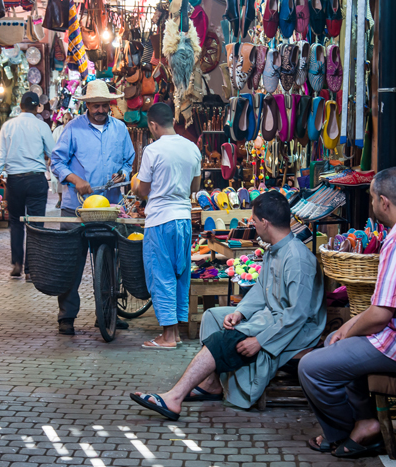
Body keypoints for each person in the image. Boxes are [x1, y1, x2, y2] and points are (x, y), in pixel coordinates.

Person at [130, 191, 326, 419]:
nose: (251, 223)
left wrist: (260, 341)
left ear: (265, 222)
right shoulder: (275, 249)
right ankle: (211, 384)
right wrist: (240, 312)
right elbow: (261, 289)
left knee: (225, 339)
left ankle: (174, 398)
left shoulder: (297, 258)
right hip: (272, 315)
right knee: (213, 317)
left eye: (254, 219)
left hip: (297, 330)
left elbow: (297, 315)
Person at [299, 167, 396, 459]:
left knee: (311, 367)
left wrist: (348, 331)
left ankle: (351, 431)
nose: (371, 204)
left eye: (371, 198)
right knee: (335, 341)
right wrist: (347, 329)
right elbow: (386, 304)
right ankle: (363, 422)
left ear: (383, 201)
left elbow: (381, 314)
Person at [51, 80, 135, 335]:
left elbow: (128, 161)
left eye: (103, 105)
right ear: (87, 105)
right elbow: (57, 162)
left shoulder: (120, 129)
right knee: (72, 262)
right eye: (95, 105)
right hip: (75, 207)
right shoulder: (73, 128)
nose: (100, 110)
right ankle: (66, 316)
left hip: (109, 206)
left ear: (110, 105)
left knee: (109, 261)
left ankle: (107, 313)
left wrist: (123, 174)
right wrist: (75, 180)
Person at [131, 103, 201, 348]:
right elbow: (194, 187)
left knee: (161, 275)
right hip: (183, 219)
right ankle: (176, 331)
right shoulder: (192, 148)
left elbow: (143, 189)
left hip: (160, 220)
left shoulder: (153, 150)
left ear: (152, 124)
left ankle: (168, 337)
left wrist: (135, 186)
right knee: (180, 273)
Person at [0, 92, 55, 282]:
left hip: (15, 180)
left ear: (20, 105)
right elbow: (53, 153)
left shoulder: (8, 126)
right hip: (36, 180)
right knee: (36, 224)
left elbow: (0, 157)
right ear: (37, 108)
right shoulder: (42, 126)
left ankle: (17, 263)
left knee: (16, 223)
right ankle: (31, 269)